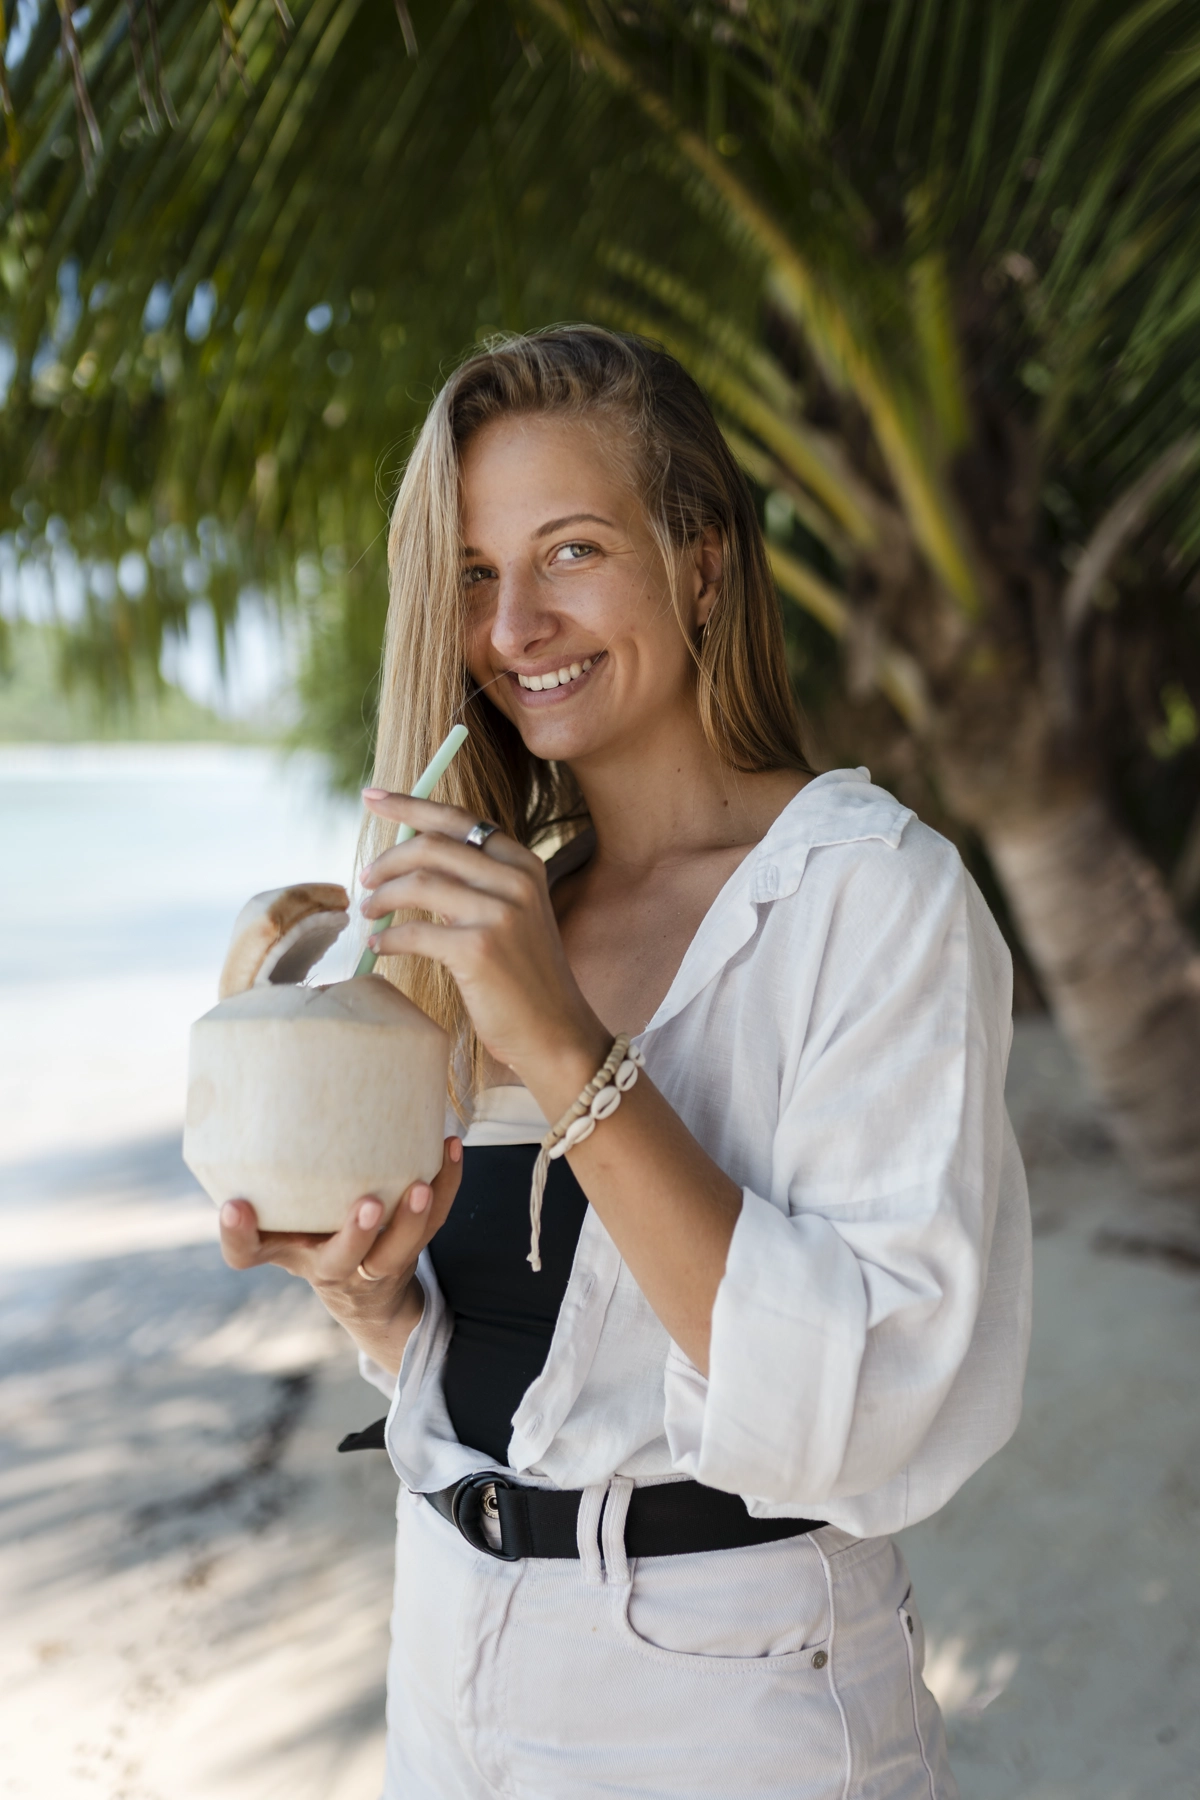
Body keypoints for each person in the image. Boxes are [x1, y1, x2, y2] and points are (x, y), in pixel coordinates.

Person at [219, 325, 1031, 1799]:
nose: (516, 625)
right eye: (476, 574)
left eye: (572, 551)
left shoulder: (870, 896)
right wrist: (377, 1303)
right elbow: (550, 1361)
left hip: (726, 1697)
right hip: (450, 1653)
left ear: (702, 563)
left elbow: (869, 1403)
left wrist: (563, 1045)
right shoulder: (501, 910)